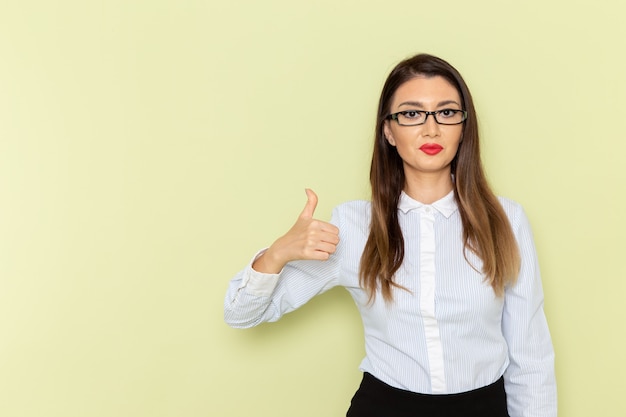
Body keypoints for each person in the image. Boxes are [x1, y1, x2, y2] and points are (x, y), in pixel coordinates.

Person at [223, 53, 556, 417]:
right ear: (388, 130)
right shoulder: (353, 227)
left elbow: (531, 356)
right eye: (412, 114)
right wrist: (276, 255)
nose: (431, 129)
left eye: (446, 113)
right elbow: (241, 315)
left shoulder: (507, 219)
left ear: (463, 127)